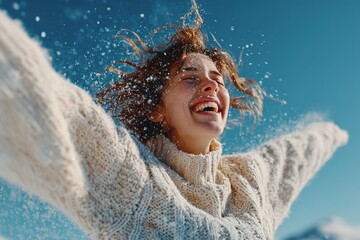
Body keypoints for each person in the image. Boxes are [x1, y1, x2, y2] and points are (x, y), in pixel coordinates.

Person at [0, 1, 348, 239]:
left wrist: (332, 132)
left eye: (217, 79)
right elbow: (49, 105)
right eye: (190, 77)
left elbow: (295, 153)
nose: (211, 83)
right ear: (157, 108)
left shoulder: (250, 182)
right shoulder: (133, 181)